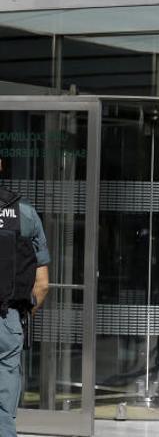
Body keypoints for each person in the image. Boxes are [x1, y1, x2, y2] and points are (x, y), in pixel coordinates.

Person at [0, 156, 49, 436]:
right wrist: (23, 315)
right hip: (8, 320)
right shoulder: (25, 213)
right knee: (4, 412)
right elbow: (42, 285)